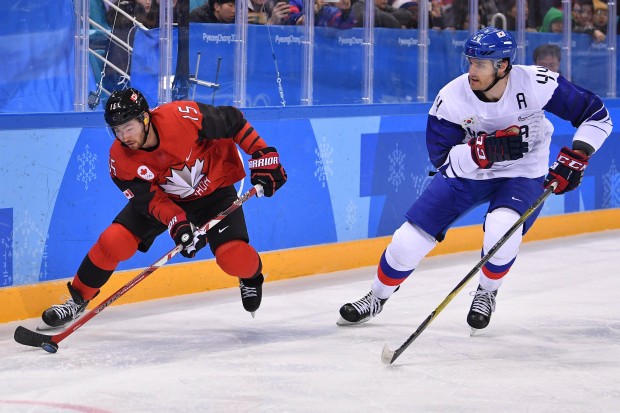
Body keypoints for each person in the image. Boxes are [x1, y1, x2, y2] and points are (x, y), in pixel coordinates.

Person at [337, 27, 612, 333]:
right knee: (407, 240)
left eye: (481, 64)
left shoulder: (536, 82)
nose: (472, 71)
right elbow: (441, 160)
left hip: (522, 173)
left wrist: (579, 154)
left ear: (503, 65)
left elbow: (597, 116)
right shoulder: (452, 97)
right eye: (470, 62)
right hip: (468, 175)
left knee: (502, 229)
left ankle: (486, 291)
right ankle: (377, 297)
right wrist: (482, 152)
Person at [38, 88, 287, 330]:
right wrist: (177, 222)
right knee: (113, 241)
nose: (124, 136)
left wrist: (262, 153)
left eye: (129, 127)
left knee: (234, 258)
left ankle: (251, 277)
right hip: (164, 199)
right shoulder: (119, 160)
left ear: (145, 118)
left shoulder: (181, 116)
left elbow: (231, 121)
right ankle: (77, 300)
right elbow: (149, 200)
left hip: (214, 193)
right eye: (117, 130)